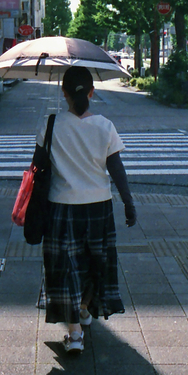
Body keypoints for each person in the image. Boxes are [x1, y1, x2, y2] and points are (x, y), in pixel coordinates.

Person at [33, 65, 136, 355]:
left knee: (66, 267)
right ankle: (83, 307)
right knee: (95, 264)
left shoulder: (51, 124)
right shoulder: (105, 126)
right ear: (92, 92)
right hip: (98, 208)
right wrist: (128, 203)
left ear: (63, 93)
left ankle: (75, 332)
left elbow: (37, 166)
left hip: (61, 208)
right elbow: (117, 168)